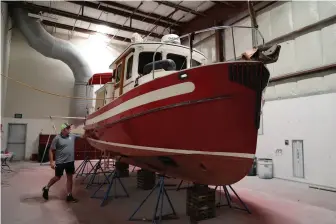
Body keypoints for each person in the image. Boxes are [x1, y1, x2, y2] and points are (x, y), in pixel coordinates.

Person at [42, 123, 82, 202]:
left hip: (70, 162)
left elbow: (83, 136)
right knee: (57, 177)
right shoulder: (57, 138)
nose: (70, 130)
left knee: (70, 178)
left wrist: (90, 132)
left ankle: (69, 195)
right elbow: (50, 150)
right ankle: (46, 188)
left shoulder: (72, 136)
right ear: (64, 130)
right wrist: (51, 162)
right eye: (68, 129)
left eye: (69, 128)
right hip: (60, 162)